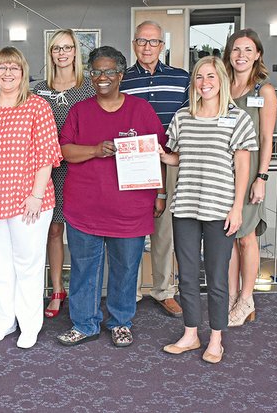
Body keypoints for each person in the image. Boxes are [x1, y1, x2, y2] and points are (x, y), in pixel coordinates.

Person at [56, 46, 167, 347]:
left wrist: (160, 192)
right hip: (85, 207)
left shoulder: (141, 110)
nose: (102, 77)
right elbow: (64, 151)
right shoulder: (79, 111)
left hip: (130, 210)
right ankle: (85, 323)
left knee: (126, 270)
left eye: (108, 72)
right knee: (83, 270)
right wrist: (94, 149)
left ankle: (120, 321)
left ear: (120, 75)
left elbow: (157, 154)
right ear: (90, 76)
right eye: (96, 72)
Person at [159, 56, 257, 364]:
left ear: (222, 81)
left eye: (211, 76)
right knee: (187, 276)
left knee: (216, 277)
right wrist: (158, 155)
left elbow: (243, 166)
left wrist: (237, 208)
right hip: (185, 205)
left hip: (219, 208)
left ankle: (216, 337)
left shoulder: (238, 118)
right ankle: (191, 334)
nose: (205, 83)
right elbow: (178, 157)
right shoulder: (182, 117)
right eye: (199, 77)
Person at [0, 46, 62, 349]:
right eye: (2, 68)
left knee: (28, 265)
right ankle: (4, 320)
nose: (7, 73)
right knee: (0, 265)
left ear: (23, 73)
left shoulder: (37, 107)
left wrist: (35, 195)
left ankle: (30, 324)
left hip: (28, 201)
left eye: (14, 68)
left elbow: (47, 156)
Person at [121, 20, 190, 318]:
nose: (147, 47)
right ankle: (131, 292)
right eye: (141, 41)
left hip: (169, 160)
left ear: (162, 46)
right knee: (132, 229)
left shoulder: (181, 78)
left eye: (153, 42)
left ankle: (163, 291)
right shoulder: (122, 80)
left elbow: (190, 118)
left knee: (165, 231)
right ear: (134, 44)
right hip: (132, 163)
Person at [32, 29, 95, 319]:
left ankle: (84, 293)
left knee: (82, 233)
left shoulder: (89, 88)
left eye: (67, 47)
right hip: (49, 170)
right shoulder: (37, 89)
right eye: (56, 48)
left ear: (75, 52)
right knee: (54, 230)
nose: (62, 53)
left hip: (82, 168)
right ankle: (57, 289)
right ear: (50, 52)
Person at [224, 29, 277, 326]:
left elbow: (268, 138)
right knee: (228, 236)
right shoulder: (223, 86)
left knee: (246, 237)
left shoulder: (264, 90)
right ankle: (231, 298)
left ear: (258, 54)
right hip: (225, 171)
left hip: (251, 171)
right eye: (236, 49)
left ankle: (247, 299)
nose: (241, 55)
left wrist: (262, 177)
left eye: (247, 50)